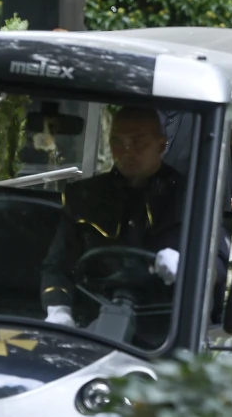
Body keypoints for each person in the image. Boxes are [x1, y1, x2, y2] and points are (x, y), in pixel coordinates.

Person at [42, 107, 186, 326]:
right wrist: (59, 310)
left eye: (137, 142)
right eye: (117, 142)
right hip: (91, 318)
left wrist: (187, 265)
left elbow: (214, 268)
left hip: (162, 326)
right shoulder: (85, 196)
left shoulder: (188, 195)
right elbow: (58, 265)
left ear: (161, 144)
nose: (126, 151)